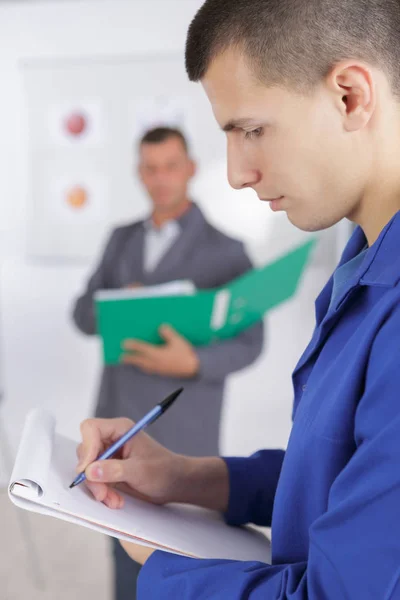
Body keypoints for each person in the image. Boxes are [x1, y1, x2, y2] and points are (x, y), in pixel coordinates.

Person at [74, 0, 400, 597]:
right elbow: (340, 479)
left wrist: (164, 570)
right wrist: (186, 476)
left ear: (351, 95)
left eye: (251, 130)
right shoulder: (363, 266)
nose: (236, 174)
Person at [72, 125, 263, 599]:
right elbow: (81, 314)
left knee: (180, 558)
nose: (161, 179)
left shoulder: (227, 251)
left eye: (170, 167)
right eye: (150, 169)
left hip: (183, 429)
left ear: (190, 169)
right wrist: (115, 304)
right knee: (121, 546)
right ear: (140, 173)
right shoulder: (119, 240)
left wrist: (192, 361)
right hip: (119, 423)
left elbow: (250, 343)